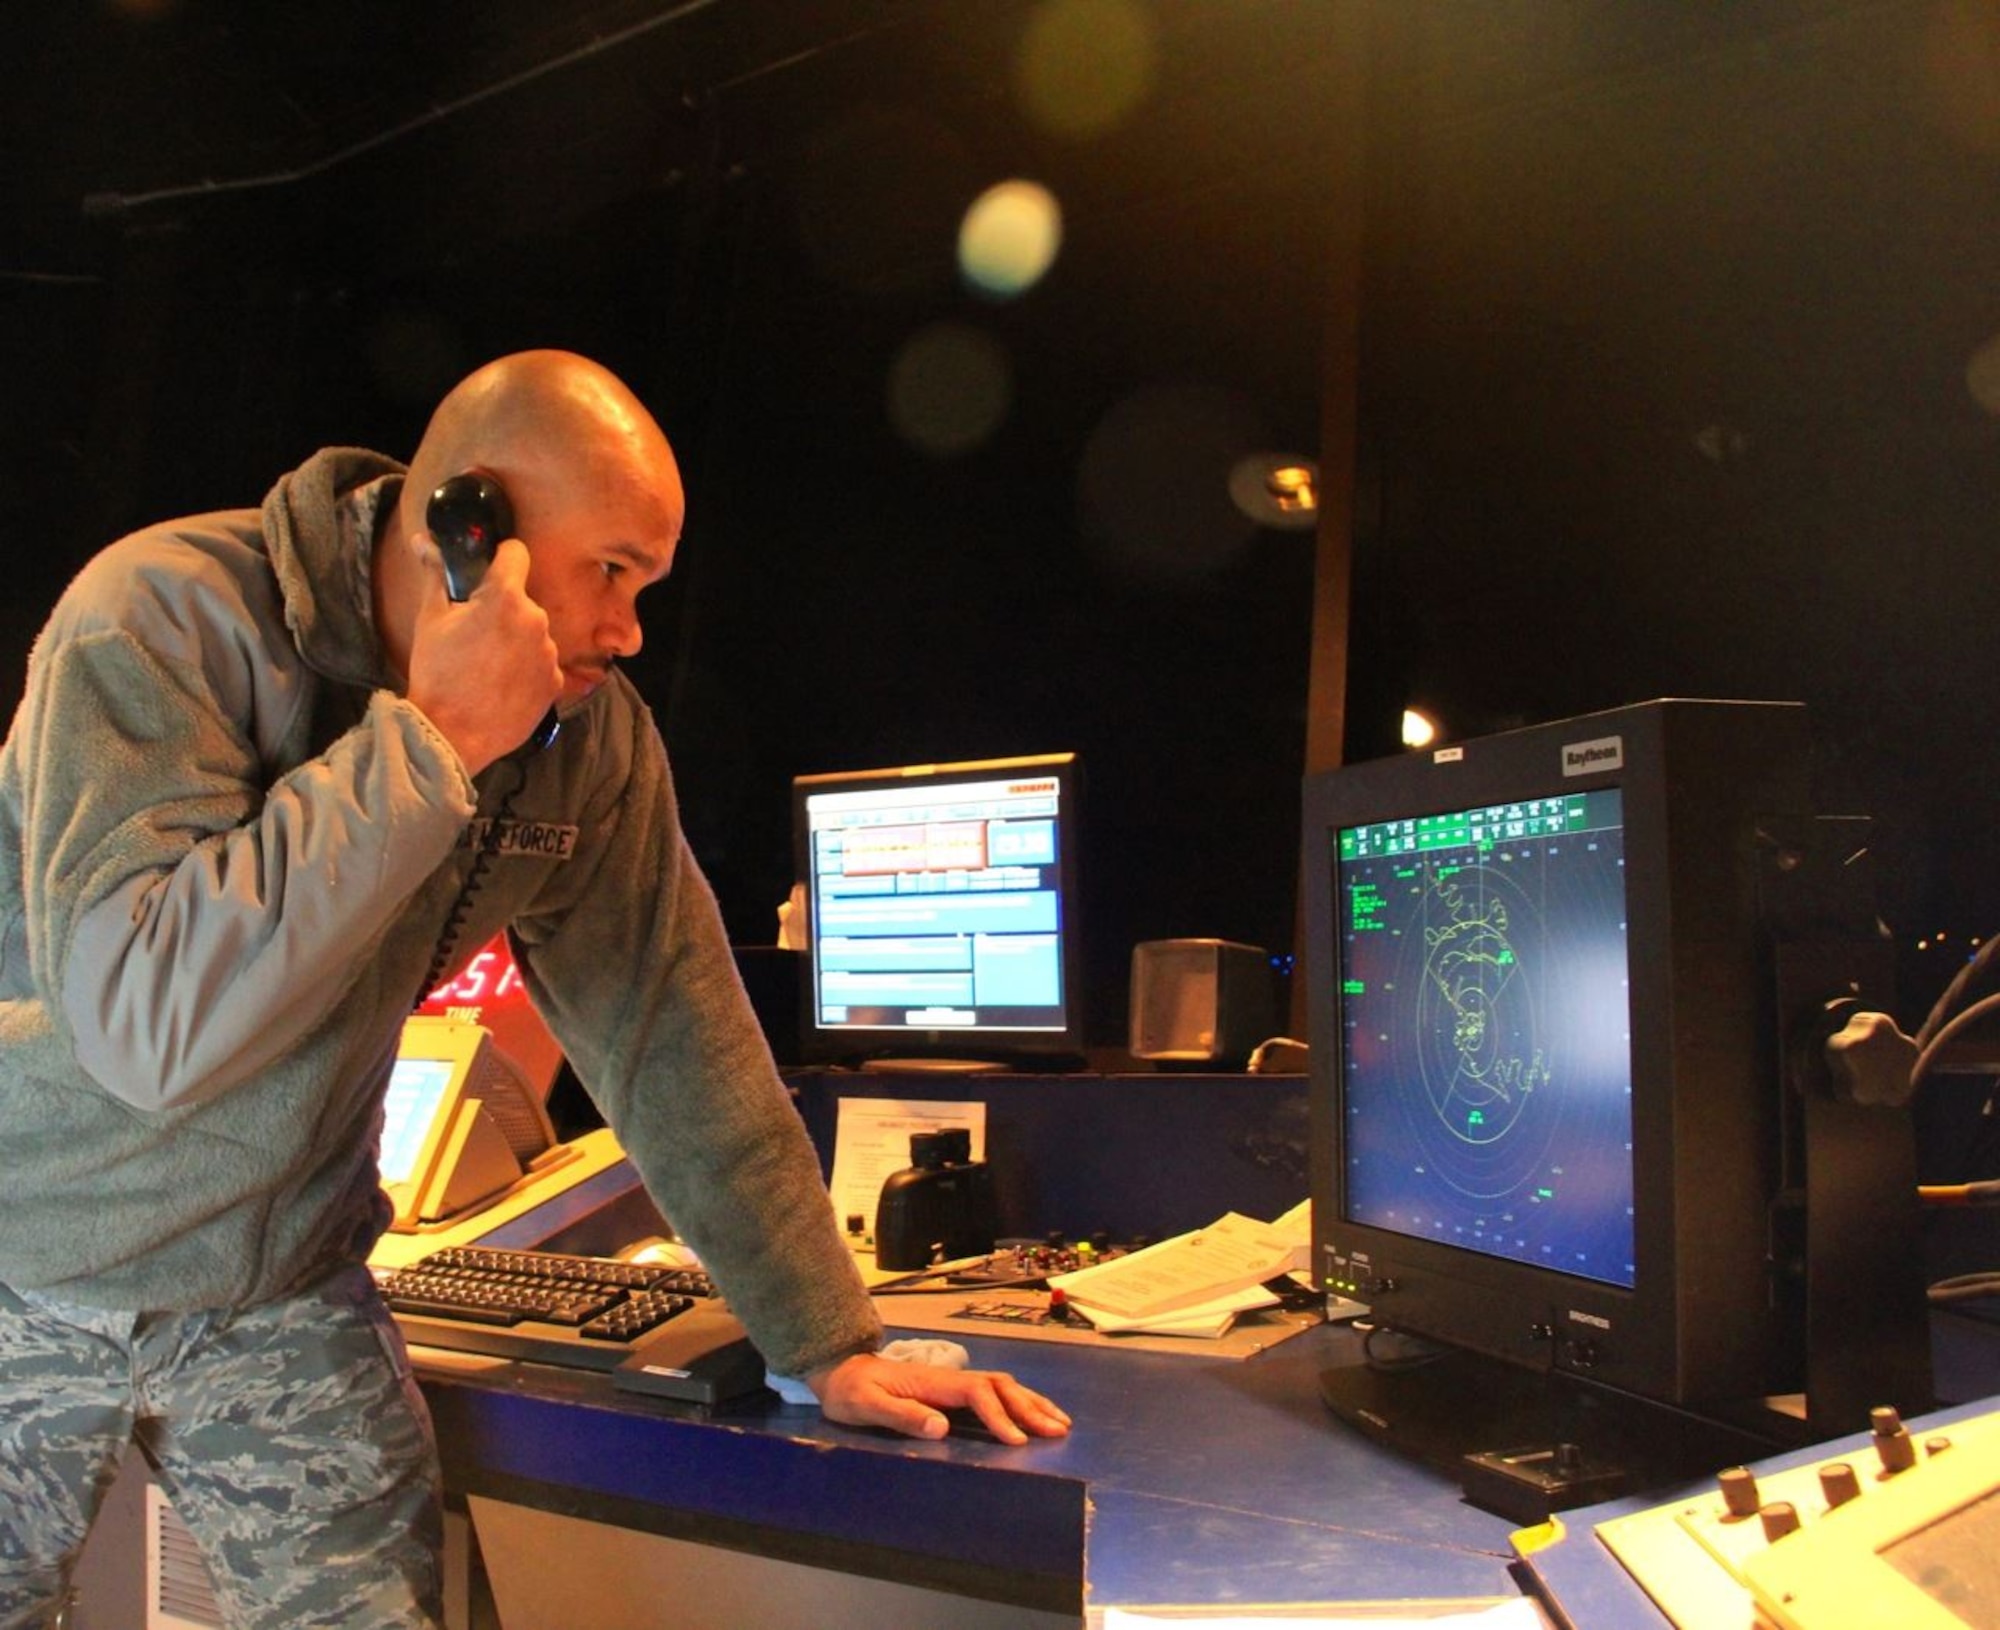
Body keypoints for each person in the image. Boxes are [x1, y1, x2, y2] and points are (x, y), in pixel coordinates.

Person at [0, 350, 1070, 1629]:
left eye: (644, 587)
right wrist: (435, 739)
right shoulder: (164, 618)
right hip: (29, 1249)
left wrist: (826, 1339)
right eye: (608, 571)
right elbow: (143, 1019)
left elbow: (671, 1024)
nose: (625, 630)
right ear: (471, 529)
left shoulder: (586, 739)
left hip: (278, 1282)